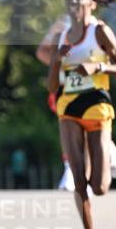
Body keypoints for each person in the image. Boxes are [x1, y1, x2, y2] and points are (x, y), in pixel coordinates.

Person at [47, 0, 116, 229]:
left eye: (78, 0)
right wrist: (57, 61)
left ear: (91, 4)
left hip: (96, 102)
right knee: (78, 179)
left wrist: (98, 66)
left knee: (100, 187)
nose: (73, 5)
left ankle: (109, 149)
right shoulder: (62, 35)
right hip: (68, 106)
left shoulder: (100, 32)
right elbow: (50, 85)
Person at [37, 16, 75, 190]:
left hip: (88, 82)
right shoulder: (61, 25)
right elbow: (41, 51)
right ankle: (69, 170)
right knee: (65, 124)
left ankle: (107, 152)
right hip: (63, 85)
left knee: (90, 126)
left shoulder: (96, 27)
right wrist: (58, 63)